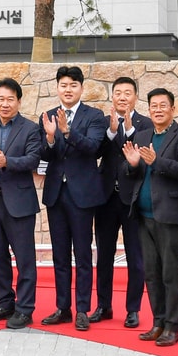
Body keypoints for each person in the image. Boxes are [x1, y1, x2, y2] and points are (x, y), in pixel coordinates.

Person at [118, 87, 178, 348]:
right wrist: (131, 164)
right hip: (143, 216)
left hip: (171, 216)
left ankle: (173, 327)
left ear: (173, 109)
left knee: (171, 272)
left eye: (163, 105)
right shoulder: (142, 135)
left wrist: (157, 161)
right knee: (151, 273)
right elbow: (131, 171)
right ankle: (158, 321)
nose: (157, 109)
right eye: (153, 105)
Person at [39, 65, 108, 331]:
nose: (68, 90)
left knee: (82, 254)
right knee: (59, 255)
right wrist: (50, 137)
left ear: (81, 88)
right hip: (56, 193)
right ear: (57, 87)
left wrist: (67, 131)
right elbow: (43, 154)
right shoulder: (47, 115)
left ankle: (82, 309)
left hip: (82, 194)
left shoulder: (94, 116)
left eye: (73, 85)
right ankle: (62, 307)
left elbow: (93, 148)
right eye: (63, 85)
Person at [0, 77, 44, 329]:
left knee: (25, 258)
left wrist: (8, 162)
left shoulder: (29, 128)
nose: (5, 104)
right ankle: (4, 302)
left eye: (10, 99)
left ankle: (25, 309)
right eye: (1, 99)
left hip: (20, 202)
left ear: (19, 101)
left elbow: (33, 159)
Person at [93, 76, 152, 328]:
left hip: (132, 200)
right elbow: (93, 153)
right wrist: (113, 131)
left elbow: (144, 161)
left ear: (135, 97)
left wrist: (129, 132)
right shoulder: (103, 123)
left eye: (127, 93)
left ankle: (133, 309)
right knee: (104, 256)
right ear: (112, 96)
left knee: (135, 257)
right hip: (105, 199)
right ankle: (103, 305)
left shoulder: (146, 124)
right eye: (118, 92)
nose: (122, 97)